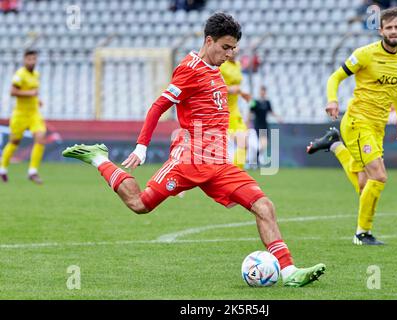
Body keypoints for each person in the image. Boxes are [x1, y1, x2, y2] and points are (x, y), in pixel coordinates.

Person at [62, 12, 325, 287]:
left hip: (219, 163)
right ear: (209, 41)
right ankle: (99, 159)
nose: (230, 53)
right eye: (225, 47)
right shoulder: (189, 69)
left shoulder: (216, 71)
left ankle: (289, 272)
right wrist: (142, 147)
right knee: (140, 204)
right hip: (189, 159)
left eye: (234, 48)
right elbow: (158, 106)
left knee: (264, 205)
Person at [306, 7, 397, 245]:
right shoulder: (365, 54)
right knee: (379, 176)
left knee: (365, 185)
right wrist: (332, 99)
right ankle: (362, 234)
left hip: (378, 127)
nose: (394, 31)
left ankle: (334, 145)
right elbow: (335, 77)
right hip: (357, 121)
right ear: (381, 30)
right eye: (389, 27)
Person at [0, 49, 46, 184]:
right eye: (29, 59)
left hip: (34, 113)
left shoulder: (36, 74)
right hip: (20, 114)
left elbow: (33, 93)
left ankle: (32, 171)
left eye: (34, 59)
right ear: (24, 60)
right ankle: (2, 168)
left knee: (40, 138)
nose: (32, 62)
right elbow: (13, 92)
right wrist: (30, 93)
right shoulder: (20, 74)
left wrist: (37, 100)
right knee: (14, 142)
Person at [219, 46, 251, 170]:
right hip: (221, 110)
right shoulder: (221, 66)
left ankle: (236, 172)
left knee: (244, 142)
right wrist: (229, 89)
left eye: (235, 49)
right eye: (231, 49)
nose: (233, 52)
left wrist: (242, 93)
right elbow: (212, 86)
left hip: (234, 110)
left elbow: (236, 87)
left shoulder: (237, 65)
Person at [249, 85, 283, 166]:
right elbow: (250, 112)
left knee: (264, 144)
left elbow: (271, 111)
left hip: (264, 125)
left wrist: (278, 118)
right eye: (261, 91)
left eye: (264, 91)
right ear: (259, 92)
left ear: (265, 92)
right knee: (259, 144)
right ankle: (254, 160)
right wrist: (247, 122)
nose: (262, 92)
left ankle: (255, 159)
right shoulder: (255, 102)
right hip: (257, 125)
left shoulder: (267, 102)